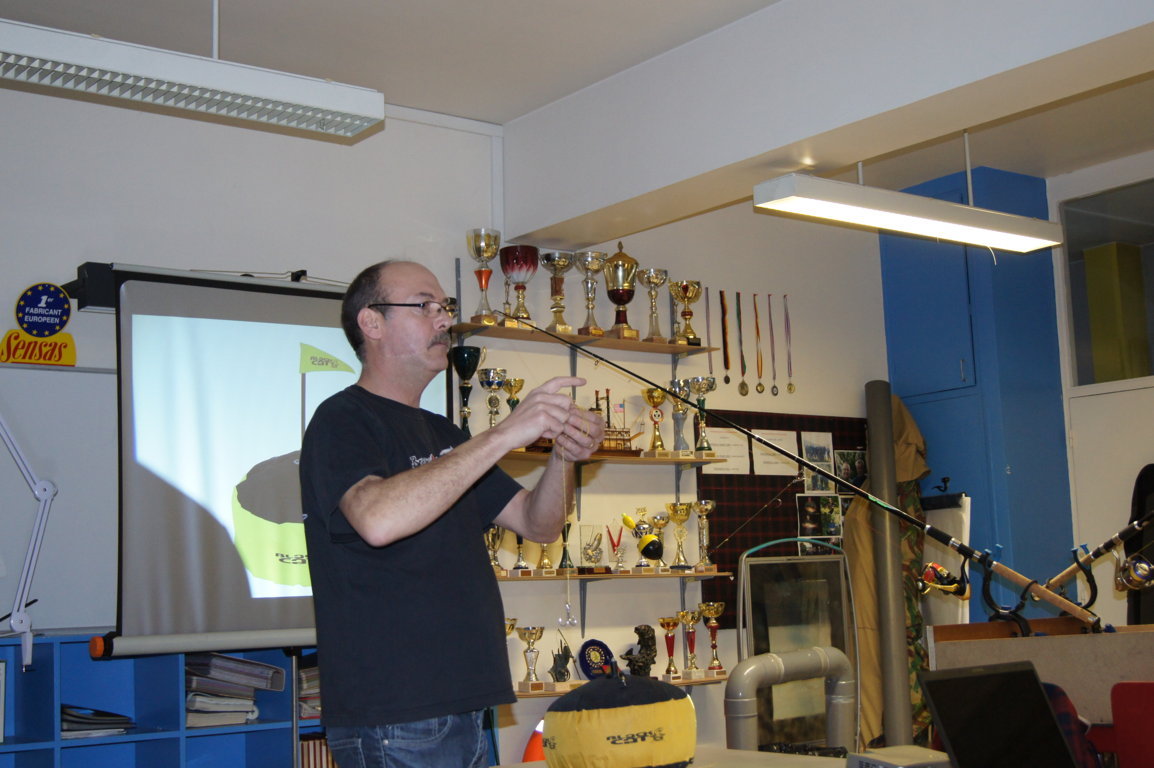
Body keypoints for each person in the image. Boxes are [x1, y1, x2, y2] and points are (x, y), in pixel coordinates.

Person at [300, 260, 605, 768]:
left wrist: (564, 457)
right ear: (371, 323)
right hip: (397, 714)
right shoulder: (342, 419)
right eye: (425, 306)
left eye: (445, 307)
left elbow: (538, 523)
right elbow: (378, 520)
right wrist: (505, 433)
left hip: (465, 705)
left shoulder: (445, 435)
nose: (444, 320)